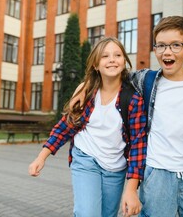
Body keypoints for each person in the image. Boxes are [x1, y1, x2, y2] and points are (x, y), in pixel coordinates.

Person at [70, 16, 183, 216]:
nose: (167, 51)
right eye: (161, 46)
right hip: (156, 173)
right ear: (155, 50)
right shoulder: (146, 80)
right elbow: (111, 75)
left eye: (176, 45)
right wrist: (85, 87)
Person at [28, 37, 147, 217]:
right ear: (95, 65)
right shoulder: (87, 93)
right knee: (87, 213)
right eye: (105, 56)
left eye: (117, 55)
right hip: (86, 159)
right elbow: (66, 127)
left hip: (115, 168)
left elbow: (138, 145)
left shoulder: (133, 99)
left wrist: (131, 189)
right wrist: (41, 157)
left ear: (124, 61)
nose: (112, 59)